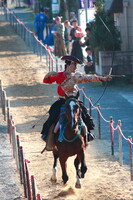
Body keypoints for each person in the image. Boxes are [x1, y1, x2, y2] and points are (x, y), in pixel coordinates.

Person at [41, 55, 111, 142]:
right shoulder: (58, 75)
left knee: (85, 114)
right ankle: (47, 134)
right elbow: (46, 81)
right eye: (74, 65)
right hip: (62, 101)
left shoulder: (76, 76)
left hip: (74, 101)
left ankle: (88, 133)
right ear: (69, 65)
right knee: (53, 114)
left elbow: (89, 77)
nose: (75, 67)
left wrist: (103, 78)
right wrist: (48, 74)